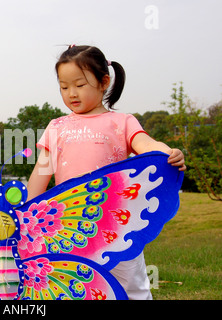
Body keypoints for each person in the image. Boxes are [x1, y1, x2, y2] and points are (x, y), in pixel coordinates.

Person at [27, 45, 186, 300]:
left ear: (104, 82)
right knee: (74, 286)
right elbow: (42, 171)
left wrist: (168, 152)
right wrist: (26, 212)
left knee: (132, 285)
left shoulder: (122, 121)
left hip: (119, 222)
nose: (71, 93)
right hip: (68, 226)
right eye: (64, 87)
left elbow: (146, 145)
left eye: (79, 84)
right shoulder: (56, 126)